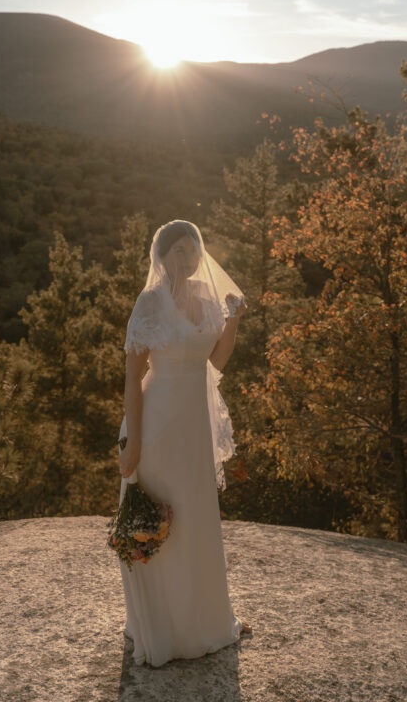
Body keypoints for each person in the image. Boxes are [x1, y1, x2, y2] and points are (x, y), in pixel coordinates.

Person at [116, 218, 253, 667]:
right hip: (156, 426)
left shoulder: (205, 297)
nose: (189, 257)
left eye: (193, 249)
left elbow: (216, 360)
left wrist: (231, 319)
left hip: (194, 428)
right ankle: (160, 629)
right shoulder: (151, 302)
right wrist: (132, 441)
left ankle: (203, 622)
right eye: (179, 250)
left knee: (194, 520)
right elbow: (133, 378)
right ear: (162, 255)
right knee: (159, 519)